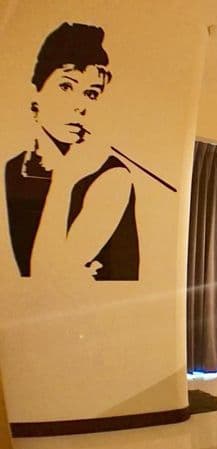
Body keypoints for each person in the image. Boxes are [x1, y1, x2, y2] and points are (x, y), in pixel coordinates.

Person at [4, 22, 139, 281]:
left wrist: (64, 180)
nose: (79, 105)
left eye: (91, 93)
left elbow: (46, 277)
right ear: (35, 93)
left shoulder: (111, 175)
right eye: (66, 87)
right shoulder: (12, 167)